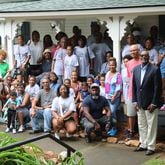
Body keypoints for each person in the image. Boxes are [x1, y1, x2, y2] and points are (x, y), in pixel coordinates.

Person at [132, 50, 162, 156]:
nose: (144, 57)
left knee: (151, 126)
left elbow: (157, 88)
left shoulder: (155, 69)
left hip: (150, 104)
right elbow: (134, 86)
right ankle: (143, 144)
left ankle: (151, 147)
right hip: (140, 103)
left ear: (149, 57)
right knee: (142, 125)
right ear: (140, 57)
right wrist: (134, 101)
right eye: (142, 55)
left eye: (146, 55)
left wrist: (154, 103)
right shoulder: (135, 69)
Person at [126, 44, 141, 139]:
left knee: (140, 114)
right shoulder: (129, 63)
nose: (132, 52)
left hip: (141, 92)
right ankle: (131, 131)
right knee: (131, 114)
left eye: (134, 50)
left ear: (138, 50)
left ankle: (141, 133)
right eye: (131, 51)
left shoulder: (142, 61)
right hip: (131, 91)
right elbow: (129, 77)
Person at [105, 58, 122, 136]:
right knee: (109, 112)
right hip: (108, 97)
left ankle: (114, 128)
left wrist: (114, 97)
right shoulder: (107, 73)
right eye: (110, 65)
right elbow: (106, 85)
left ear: (116, 65)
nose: (112, 66)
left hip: (115, 97)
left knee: (113, 112)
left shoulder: (118, 75)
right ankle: (110, 127)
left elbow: (118, 88)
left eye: (113, 65)